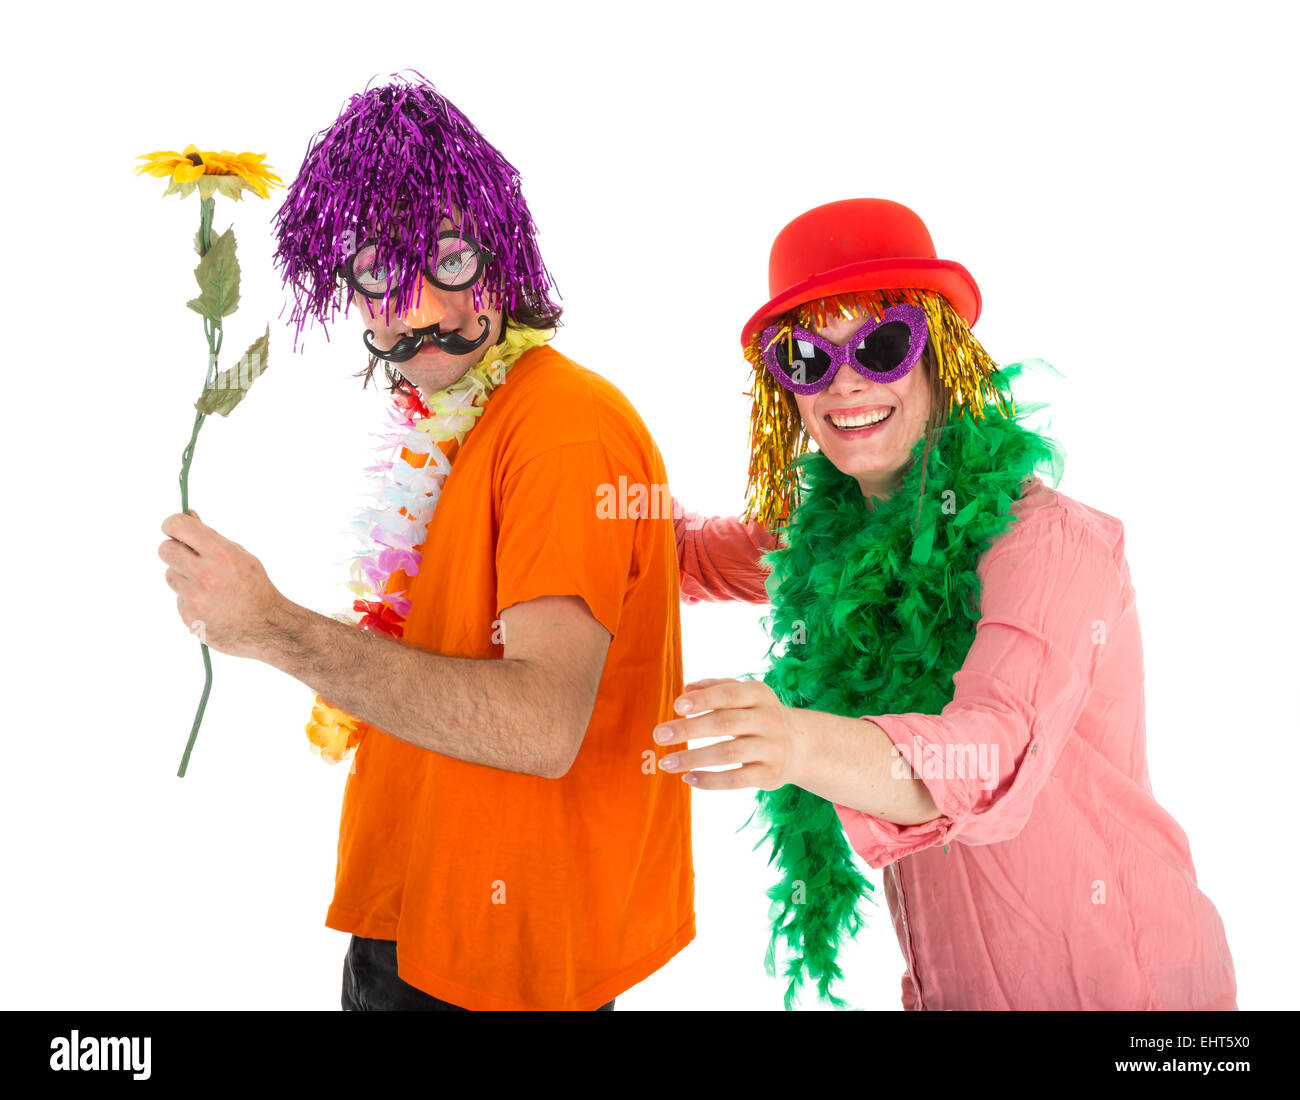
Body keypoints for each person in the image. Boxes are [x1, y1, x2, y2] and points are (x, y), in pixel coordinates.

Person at [156, 72, 693, 1011]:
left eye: (448, 258)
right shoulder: (457, 418)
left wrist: (272, 628)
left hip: (495, 969)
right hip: (421, 923)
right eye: (375, 267)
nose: (418, 306)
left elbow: (539, 726)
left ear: (506, 254)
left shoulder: (560, 426)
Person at [664, 198, 1237, 1011]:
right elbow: (679, 552)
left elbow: (985, 753)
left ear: (941, 354)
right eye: (806, 357)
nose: (847, 382)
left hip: (1129, 997)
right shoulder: (826, 538)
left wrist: (794, 740)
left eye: (883, 342)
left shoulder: (1051, 546)